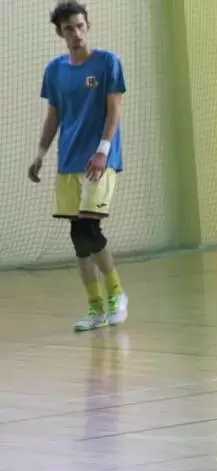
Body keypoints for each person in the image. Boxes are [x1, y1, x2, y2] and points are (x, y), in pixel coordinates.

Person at [28, 1, 128, 332]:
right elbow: (53, 115)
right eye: (68, 28)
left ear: (88, 26)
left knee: (88, 229)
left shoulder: (107, 62)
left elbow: (115, 109)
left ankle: (117, 294)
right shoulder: (55, 70)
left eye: (80, 25)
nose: (76, 33)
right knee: (77, 236)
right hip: (68, 161)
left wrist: (103, 150)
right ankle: (95, 307)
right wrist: (40, 154)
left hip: (99, 159)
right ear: (60, 33)